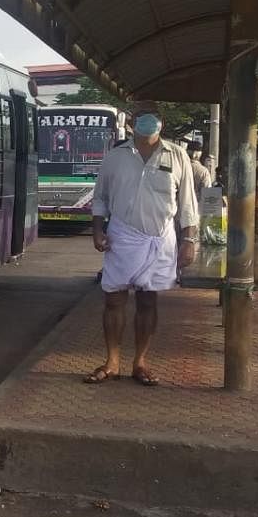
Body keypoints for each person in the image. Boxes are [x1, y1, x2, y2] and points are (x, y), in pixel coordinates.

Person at [85, 101, 199, 387]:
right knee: (114, 300)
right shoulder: (114, 157)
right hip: (121, 237)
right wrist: (97, 230)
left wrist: (190, 240)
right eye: (141, 115)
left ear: (162, 121)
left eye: (154, 115)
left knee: (148, 300)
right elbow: (100, 197)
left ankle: (140, 362)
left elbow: (188, 204)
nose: (148, 119)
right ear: (131, 121)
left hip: (161, 239)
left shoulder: (177, 155)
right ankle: (112, 361)